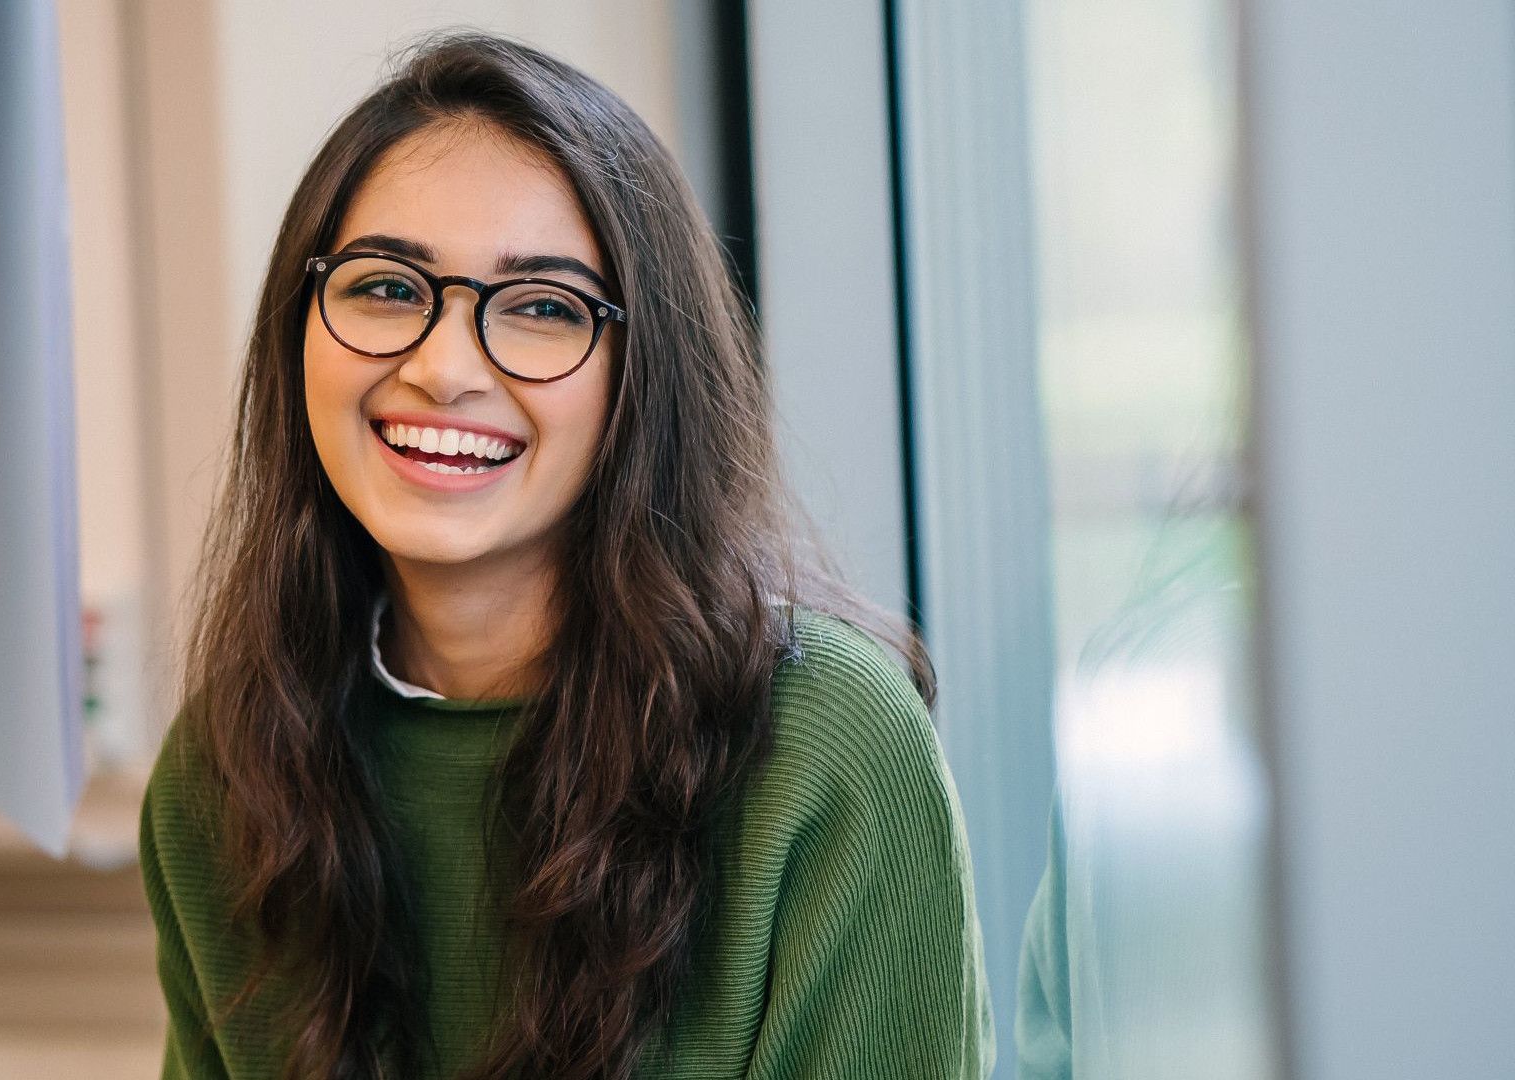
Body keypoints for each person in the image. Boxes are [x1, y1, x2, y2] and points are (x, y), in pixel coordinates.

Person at [139, 29, 994, 1080]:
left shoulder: (832, 755)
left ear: (646, 378)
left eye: (543, 307)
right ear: (297, 328)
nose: (443, 367)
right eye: (386, 288)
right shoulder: (225, 778)